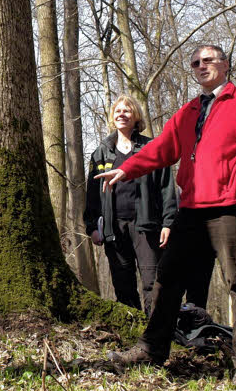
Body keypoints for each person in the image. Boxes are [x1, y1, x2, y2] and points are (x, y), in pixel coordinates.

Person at [98, 45, 236, 384]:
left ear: (225, 64)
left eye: (208, 60)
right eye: (195, 63)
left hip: (232, 204)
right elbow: (163, 148)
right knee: (167, 277)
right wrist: (127, 169)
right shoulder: (189, 110)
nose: (201, 66)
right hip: (191, 208)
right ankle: (152, 348)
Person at [84, 94, 176, 313]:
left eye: (127, 111)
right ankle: (134, 334)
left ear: (136, 116)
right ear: (112, 117)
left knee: (151, 283)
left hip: (147, 226)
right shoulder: (101, 152)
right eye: (117, 111)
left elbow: (167, 187)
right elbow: (92, 195)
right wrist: (92, 228)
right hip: (114, 228)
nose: (121, 115)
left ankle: (156, 335)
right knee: (123, 283)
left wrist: (168, 223)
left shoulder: (151, 148)